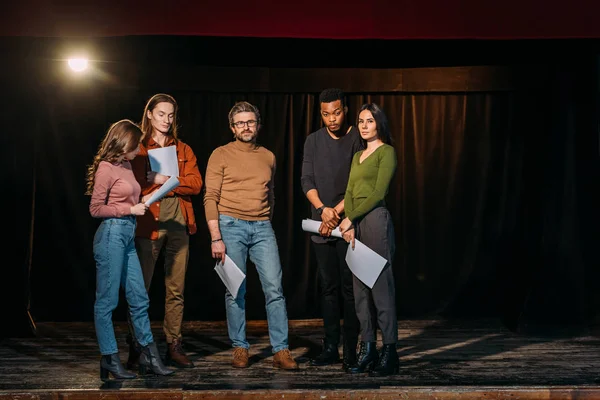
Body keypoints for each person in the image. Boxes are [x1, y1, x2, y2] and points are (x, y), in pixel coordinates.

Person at [204, 101, 298, 370]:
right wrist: (216, 236)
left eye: (251, 122)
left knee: (275, 289)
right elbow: (210, 197)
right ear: (232, 127)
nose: (246, 126)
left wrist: (265, 221)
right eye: (240, 122)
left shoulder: (268, 155)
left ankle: (281, 350)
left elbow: (271, 194)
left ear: (258, 125)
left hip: (261, 227)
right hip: (229, 225)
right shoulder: (220, 154)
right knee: (235, 290)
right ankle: (239, 347)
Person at [86, 119, 174, 380]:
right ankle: (110, 358)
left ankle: (148, 355)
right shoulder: (106, 167)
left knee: (139, 298)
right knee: (107, 302)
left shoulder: (125, 165)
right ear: (125, 143)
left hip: (127, 235)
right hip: (111, 234)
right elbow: (95, 209)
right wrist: (129, 209)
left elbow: (129, 197)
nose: (139, 150)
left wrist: (145, 199)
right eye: (136, 145)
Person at [128, 94, 203, 369]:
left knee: (176, 288)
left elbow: (195, 184)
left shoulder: (182, 149)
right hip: (149, 220)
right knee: (141, 288)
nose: (166, 120)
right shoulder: (137, 147)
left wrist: (167, 180)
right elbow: (130, 184)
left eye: (171, 115)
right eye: (161, 114)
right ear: (149, 114)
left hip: (179, 219)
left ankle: (174, 343)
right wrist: (149, 183)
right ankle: (137, 344)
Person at [300, 88, 362, 369]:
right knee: (328, 288)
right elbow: (306, 179)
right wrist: (323, 210)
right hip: (321, 226)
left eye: (336, 113)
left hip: (348, 225)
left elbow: (357, 184)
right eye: (326, 114)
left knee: (350, 289)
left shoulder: (357, 139)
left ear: (345, 110)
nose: (331, 119)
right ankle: (329, 347)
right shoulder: (313, 140)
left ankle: (351, 348)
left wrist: (335, 212)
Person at [338, 103, 399, 377]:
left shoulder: (386, 152)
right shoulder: (358, 156)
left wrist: (351, 218)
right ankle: (368, 349)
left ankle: (390, 351)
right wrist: (349, 222)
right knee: (360, 291)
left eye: (369, 121)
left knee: (381, 289)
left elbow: (377, 192)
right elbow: (350, 190)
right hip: (356, 224)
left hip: (375, 220)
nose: (363, 126)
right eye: (361, 121)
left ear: (379, 124)